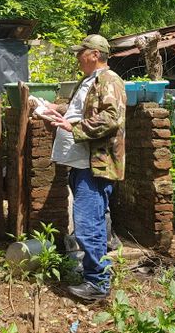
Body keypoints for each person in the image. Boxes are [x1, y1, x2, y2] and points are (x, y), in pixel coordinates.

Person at [43, 34, 126, 302]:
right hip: (82, 162)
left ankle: (98, 283)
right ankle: (95, 275)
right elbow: (84, 109)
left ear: (94, 54)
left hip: (95, 163)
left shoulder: (109, 80)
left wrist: (74, 126)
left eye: (82, 52)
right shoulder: (89, 81)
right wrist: (60, 110)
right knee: (92, 221)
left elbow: (112, 117)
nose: (78, 56)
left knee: (87, 222)